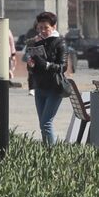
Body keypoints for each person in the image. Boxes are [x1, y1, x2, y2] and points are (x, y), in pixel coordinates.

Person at [23, 12, 68, 144]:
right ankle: (46, 151)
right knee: (42, 125)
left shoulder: (60, 42)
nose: (42, 31)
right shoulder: (36, 42)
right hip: (40, 86)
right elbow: (32, 67)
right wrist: (31, 65)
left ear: (54, 27)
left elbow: (63, 67)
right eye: (39, 28)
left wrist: (47, 64)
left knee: (46, 123)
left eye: (46, 28)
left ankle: (51, 154)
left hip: (54, 87)